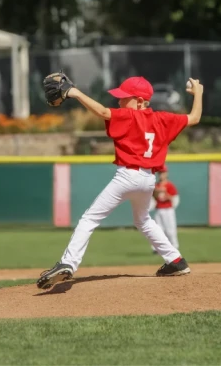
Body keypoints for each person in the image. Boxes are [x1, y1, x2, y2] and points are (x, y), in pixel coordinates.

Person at [37, 76, 204, 289]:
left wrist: (76, 93)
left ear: (140, 102)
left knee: (89, 219)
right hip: (148, 180)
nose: (119, 102)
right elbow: (194, 118)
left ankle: (68, 263)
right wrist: (198, 93)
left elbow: (103, 112)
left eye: (124, 98)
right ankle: (176, 261)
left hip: (127, 177)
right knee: (143, 220)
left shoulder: (130, 116)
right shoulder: (163, 119)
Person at [148, 164, 180, 252]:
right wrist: (156, 193)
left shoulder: (170, 185)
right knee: (158, 230)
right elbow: (153, 199)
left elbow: (175, 199)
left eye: (163, 173)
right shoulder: (156, 185)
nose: (161, 175)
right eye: (160, 173)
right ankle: (157, 248)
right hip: (159, 210)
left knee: (170, 230)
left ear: (166, 173)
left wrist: (166, 194)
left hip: (168, 210)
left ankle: (175, 246)